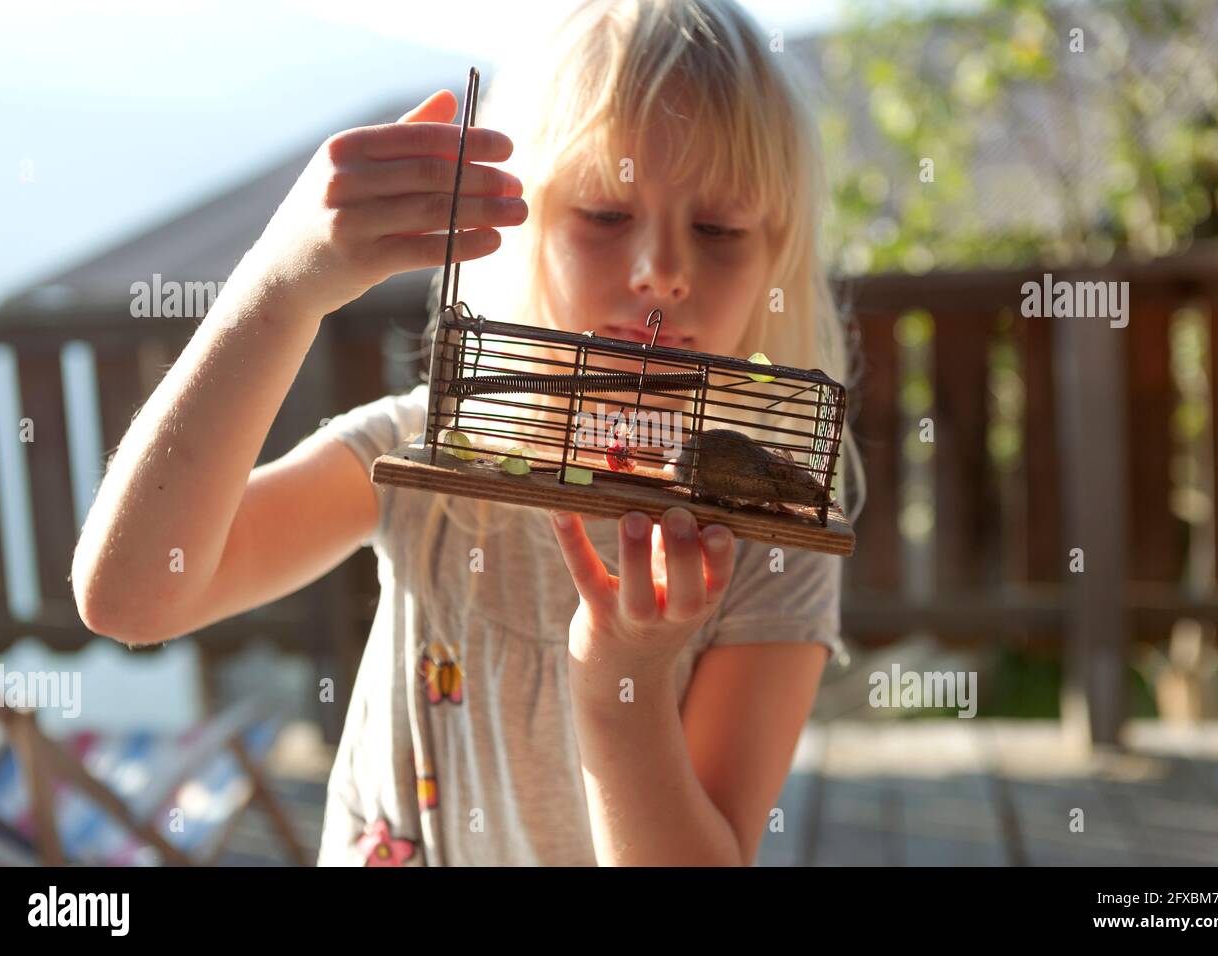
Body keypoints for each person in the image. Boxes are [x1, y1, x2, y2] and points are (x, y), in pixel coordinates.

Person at [71, 0, 866, 866]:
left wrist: (619, 688)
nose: (662, 271)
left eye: (718, 229)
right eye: (604, 213)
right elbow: (134, 596)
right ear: (513, 235)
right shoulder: (430, 452)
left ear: (774, 258)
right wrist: (279, 286)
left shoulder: (765, 539)